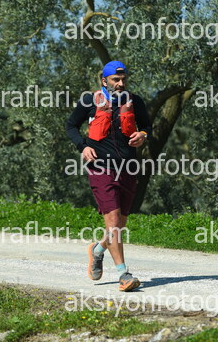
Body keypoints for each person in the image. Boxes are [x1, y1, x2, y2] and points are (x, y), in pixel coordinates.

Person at [66, 60, 152, 292]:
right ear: (105, 81)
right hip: (101, 168)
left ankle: (97, 250)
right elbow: (71, 126)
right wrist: (83, 146)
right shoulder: (89, 100)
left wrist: (143, 135)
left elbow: (147, 126)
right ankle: (124, 274)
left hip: (128, 169)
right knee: (113, 223)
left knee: (119, 225)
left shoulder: (135, 101)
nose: (121, 83)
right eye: (116, 79)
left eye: (123, 79)